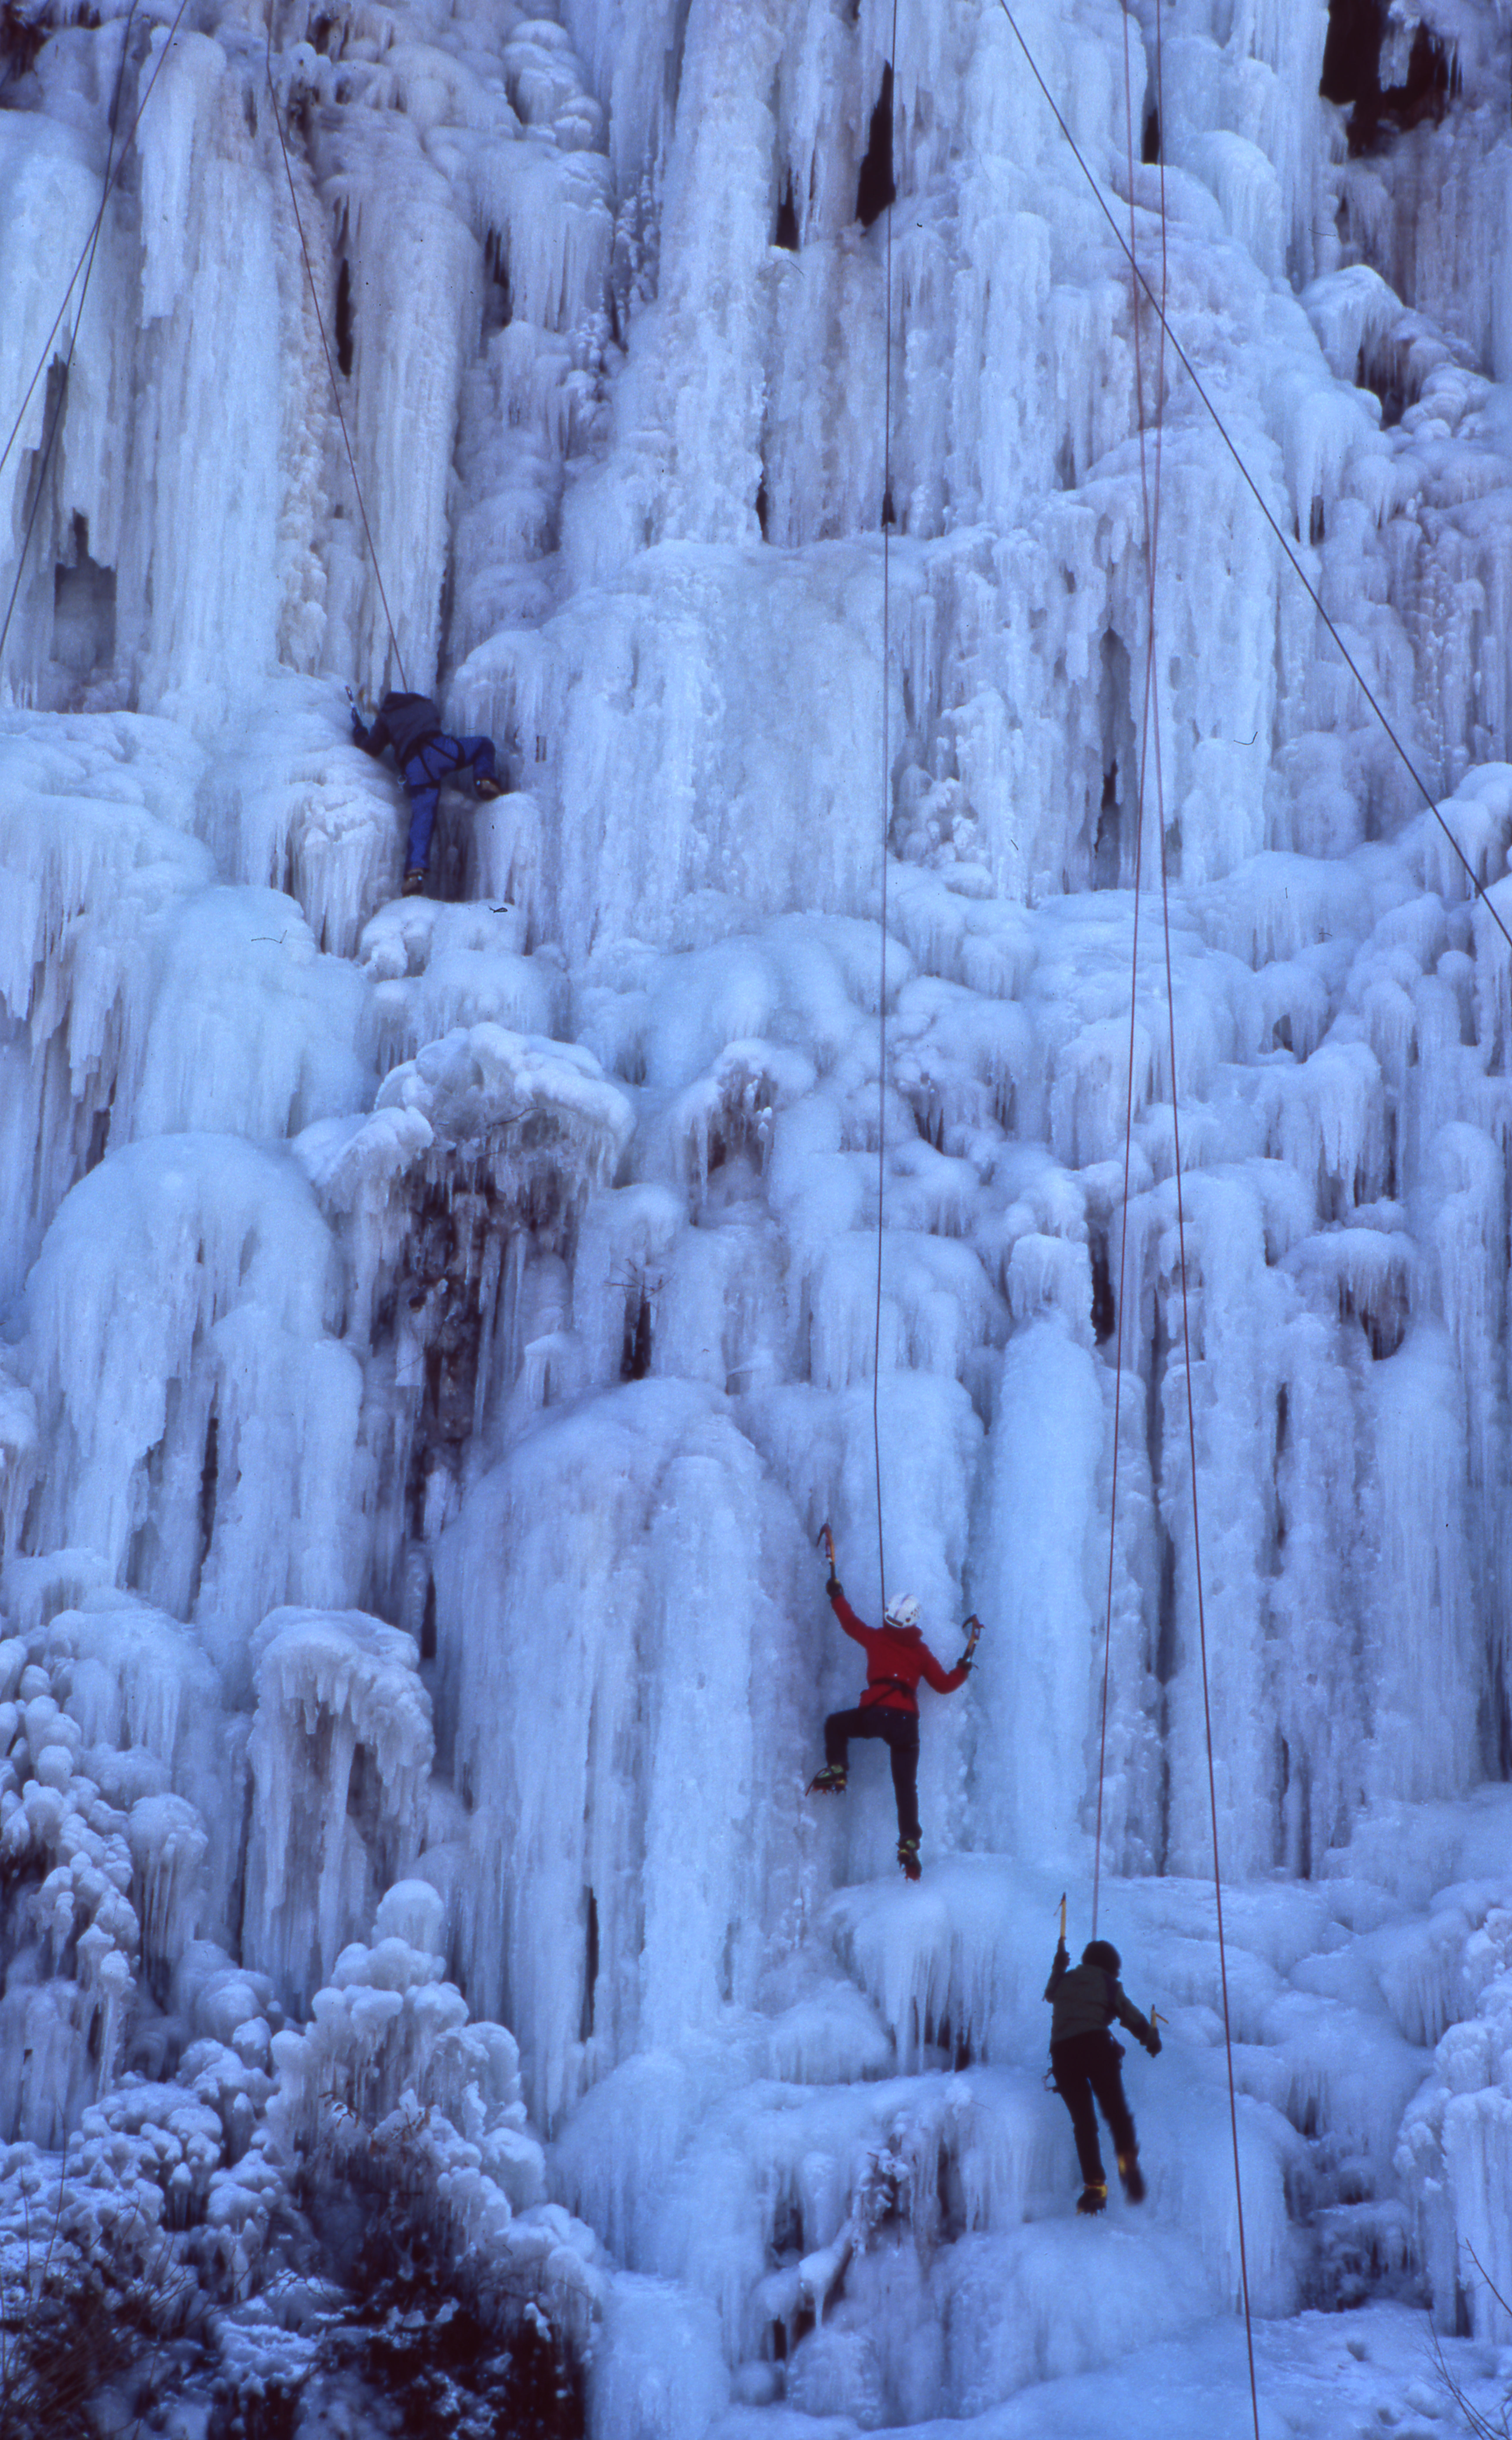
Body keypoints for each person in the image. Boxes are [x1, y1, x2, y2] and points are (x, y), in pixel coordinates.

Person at [808, 1565, 978, 1881]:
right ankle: (909, 1843)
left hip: (875, 1715)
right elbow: (942, 1684)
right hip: (905, 1724)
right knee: (905, 1787)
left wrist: (836, 1593)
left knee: (836, 1725)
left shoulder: (876, 1638)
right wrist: (964, 1665)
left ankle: (838, 1769)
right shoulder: (920, 1652)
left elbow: (849, 1623)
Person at [1044, 1934, 1161, 2216]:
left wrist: (1059, 1966)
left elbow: (1050, 1993)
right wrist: (1151, 2039)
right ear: (1110, 1966)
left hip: (1063, 2056)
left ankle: (1094, 2187)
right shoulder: (1108, 1983)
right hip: (1095, 2048)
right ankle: (1127, 2165)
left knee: (1084, 2124)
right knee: (1116, 2115)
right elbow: (1129, 2015)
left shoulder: (1064, 1980)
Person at [351, 690, 506, 894]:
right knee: (483, 745)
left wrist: (359, 730)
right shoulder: (426, 705)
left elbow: (372, 748)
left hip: (416, 766)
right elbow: (434, 720)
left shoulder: (387, 716)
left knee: (422, 820)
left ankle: (414, 874)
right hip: (439, 750)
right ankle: (484, 781)